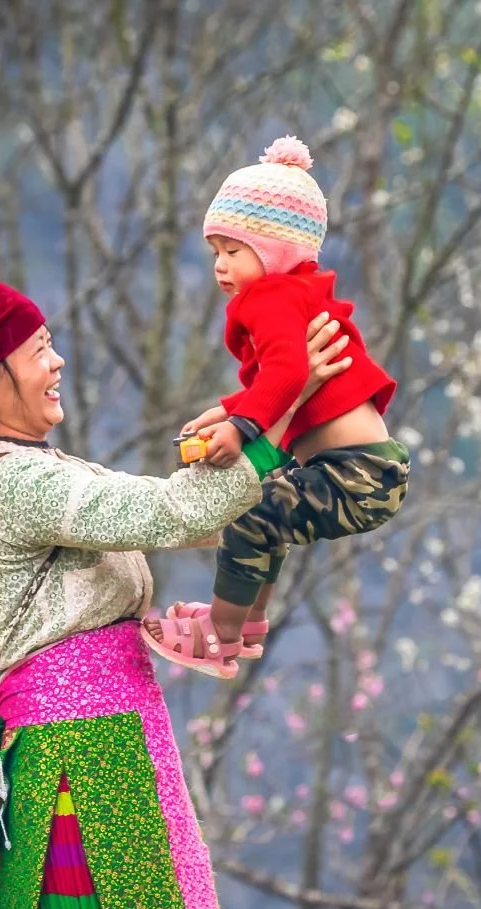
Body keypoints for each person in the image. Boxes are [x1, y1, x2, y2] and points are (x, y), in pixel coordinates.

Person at [0, 279, 350, 909]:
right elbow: (175, 510)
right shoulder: (14, 486)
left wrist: (284, 427)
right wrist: (279, 402)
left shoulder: (39, 470)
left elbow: (195, 518)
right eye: (39, 350)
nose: (58, 361)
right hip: (84, 756)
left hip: (110, 737)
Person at [140, 136, 410, 679]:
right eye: (216, 251)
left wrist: (241, 428)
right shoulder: (296, 292)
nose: (221, 266)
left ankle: (220, 632)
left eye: (234, 252)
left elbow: (288, 375)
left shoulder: (269, 298)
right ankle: (245, 621)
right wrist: (230, 409)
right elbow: (283, 381)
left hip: (354, 473)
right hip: (365, 469)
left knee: (252, 514)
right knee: (268, 512)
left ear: (275, 251)